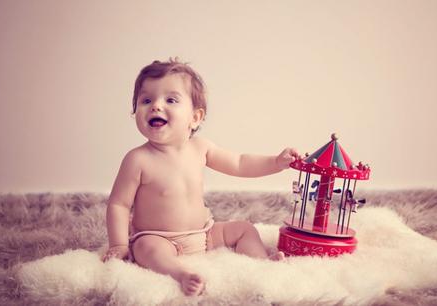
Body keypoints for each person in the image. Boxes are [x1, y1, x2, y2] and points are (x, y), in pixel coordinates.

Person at [102, 58, 299, 296]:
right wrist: (119, 244)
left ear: (195, 117)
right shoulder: (137, 159)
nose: (155, 106)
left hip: (205, 234)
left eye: (171, 100)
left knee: (245, 228)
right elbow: (119, 204)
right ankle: (180, 274)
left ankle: (263, 262)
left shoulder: (200, 148)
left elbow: (240, 163)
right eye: (146, 100)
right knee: (145, 249)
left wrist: (276, 163)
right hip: (160, 238)